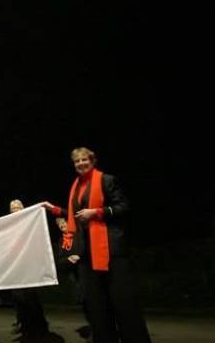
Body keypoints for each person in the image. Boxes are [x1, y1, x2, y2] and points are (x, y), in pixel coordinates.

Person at [42, 147, 152, 343]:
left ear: (92, 161)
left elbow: (124, 206)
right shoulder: (76, 185)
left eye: (84, 160)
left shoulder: (105, 180)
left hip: (111, 250)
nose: (81, 163)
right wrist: (55, 209)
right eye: (77, 161)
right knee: (96, 307)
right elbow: (75, 216)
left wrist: (97, 212)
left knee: (123, 304)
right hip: (86, 251)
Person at [9, 199, 50, 339]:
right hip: (16, 267)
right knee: (19, 299)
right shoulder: (8, 225)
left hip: (30, 266)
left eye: (17, 206)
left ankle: (40, 328)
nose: (15, 209)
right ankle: (25, 328)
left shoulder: (30, 221)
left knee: (32, 299)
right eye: (12, 207)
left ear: (23, 208)